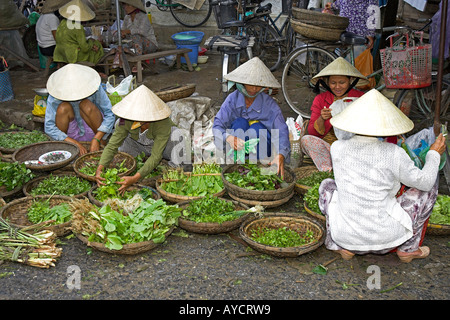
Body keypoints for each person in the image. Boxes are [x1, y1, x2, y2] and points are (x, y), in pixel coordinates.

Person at [318, 89, 447, 263]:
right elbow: (425, 182)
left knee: (327, 185)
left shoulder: (337, 147)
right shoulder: (394, 152)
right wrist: (434, 154)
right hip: (386, 237)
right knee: (429, 188)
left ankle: (340, 245)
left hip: (346, 236)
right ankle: (408, 248)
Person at [213, 57, 290, 178]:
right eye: (251, 84)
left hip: (262, 150)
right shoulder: (232, 99)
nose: (254, 89)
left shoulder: (270, 105)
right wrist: (228, 137)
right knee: (240, 123)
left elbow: (282, 131)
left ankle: (257, 168)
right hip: (236, 149)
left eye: (258, 85)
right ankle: (237, 165)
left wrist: (281, 154)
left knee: (257, 128)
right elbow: (217, 126)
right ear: (241, 83)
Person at [95, 85, 177, 194]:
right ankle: (136, 164)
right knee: (123, 139)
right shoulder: (125, 121)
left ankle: (174, 170)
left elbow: (156, 156)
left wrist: (135, 178)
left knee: (178, 135)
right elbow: (112, 146)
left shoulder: (162, 123)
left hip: (164, 147)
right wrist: (100, 168)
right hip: (140, 146)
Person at [301, 57, 368, 171]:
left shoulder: (360, 97)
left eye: (342, 82)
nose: (337, 87)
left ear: (350, 80)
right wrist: (322, 118)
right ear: (327, 82)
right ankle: (329, 170)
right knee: (306, 140)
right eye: (333, 83)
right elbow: (312, 132)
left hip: (354, 149)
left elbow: (370, 124)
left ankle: (346, 167)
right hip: (330, 149)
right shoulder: (320, 99)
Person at [45, 63, 115, 155]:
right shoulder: (55, 94)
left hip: (93, 128)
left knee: (86, 105)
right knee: (63, 108)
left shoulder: (95, 87)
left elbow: (110, 113)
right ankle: (65, 147)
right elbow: (49, 126)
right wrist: (74, 142)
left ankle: (101, 144)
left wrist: (97, 138)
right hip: (70, 133)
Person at [53, 0, 104, 65]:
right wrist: (92, 43)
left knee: (91, 42)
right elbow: (85, 48)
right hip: (73, 55)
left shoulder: (63, 22)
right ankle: (90, 68)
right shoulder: (78, 27)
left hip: (61, 53)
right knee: (97, 45)